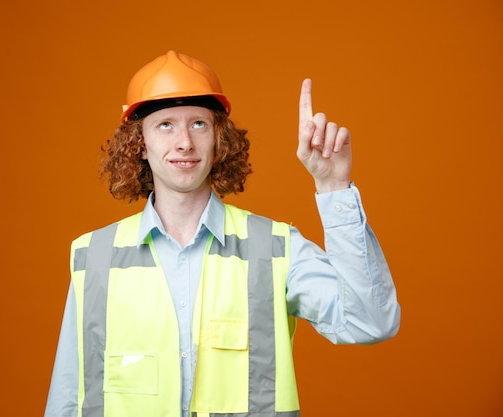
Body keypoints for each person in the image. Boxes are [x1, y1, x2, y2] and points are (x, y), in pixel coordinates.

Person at [44, 50, 400, 417]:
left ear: (218, 139)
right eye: (165, 124)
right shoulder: (95, 256)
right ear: (140, 144)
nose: (184, 141)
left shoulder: (275, 249)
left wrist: (333, 188)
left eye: (198, 123)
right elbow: (68, 397)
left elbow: (370, 321)